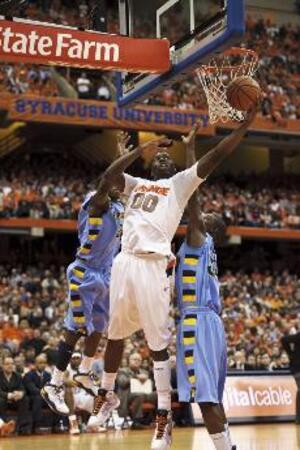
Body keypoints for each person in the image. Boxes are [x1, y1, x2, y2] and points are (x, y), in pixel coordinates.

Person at [88, 106, 257, 450]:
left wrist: (242, 130)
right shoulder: (136, 185)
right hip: (125, 261)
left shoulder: (178, 187)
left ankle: (163, 419)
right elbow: (106, 178)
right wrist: (139, 150)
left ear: (178, 169)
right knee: (115, 335)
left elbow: (215, 157)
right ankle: (106, 393)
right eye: (158, 157)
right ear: (149, 165)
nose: (164, 158)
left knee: (157, 344)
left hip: (153, 265)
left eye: (169, 157)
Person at [41, 133, 170, 418]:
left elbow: (121, 181)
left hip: (108, 273)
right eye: (113, 178)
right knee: (75, 328)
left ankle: (85, 372)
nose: (115, 182)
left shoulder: (121, 205)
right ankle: (53, 383)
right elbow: (107, 180)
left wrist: (121, 157)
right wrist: (132, 154)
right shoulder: (96, 199)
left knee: (101, 326)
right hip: (85, 271)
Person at [175, 122, 236, 450]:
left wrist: (189, 151)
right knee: (213, 395)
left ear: (209, 227)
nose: (201, 215)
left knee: (205, 397)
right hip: (213, 324)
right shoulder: (206, 249)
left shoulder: (199, 238)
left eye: (206, 215)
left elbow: (191, 193)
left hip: (197, 321)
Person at [23, 354, 58, 434]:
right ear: (35, 364)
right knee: (37, 398)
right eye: (40, 363)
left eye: (44, 363)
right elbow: (32, 389)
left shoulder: (48, 375)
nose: (42, 365)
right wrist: (45, 393)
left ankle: (57, 425)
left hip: (45, 397)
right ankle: (37, 425)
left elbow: (51, 387)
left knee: (56, 398)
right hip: (33, 398)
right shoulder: (29, 375)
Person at [0, 356, 31, 435]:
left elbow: (22, 389)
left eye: (12, 364)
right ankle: (3, 427)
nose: (10, 366)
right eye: (7, 364)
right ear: (2, 365)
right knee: (1, 400)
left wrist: (21, 393)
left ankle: (22, 427)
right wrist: (8, 395)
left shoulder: (17, 375)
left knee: (25, 399)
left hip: (15, 400)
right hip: (4, 400)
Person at [282, 331, 300, 424]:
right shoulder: (298, 336)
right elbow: (284, 339)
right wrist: (291, 354)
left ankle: (298, 417)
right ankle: (298, 417)